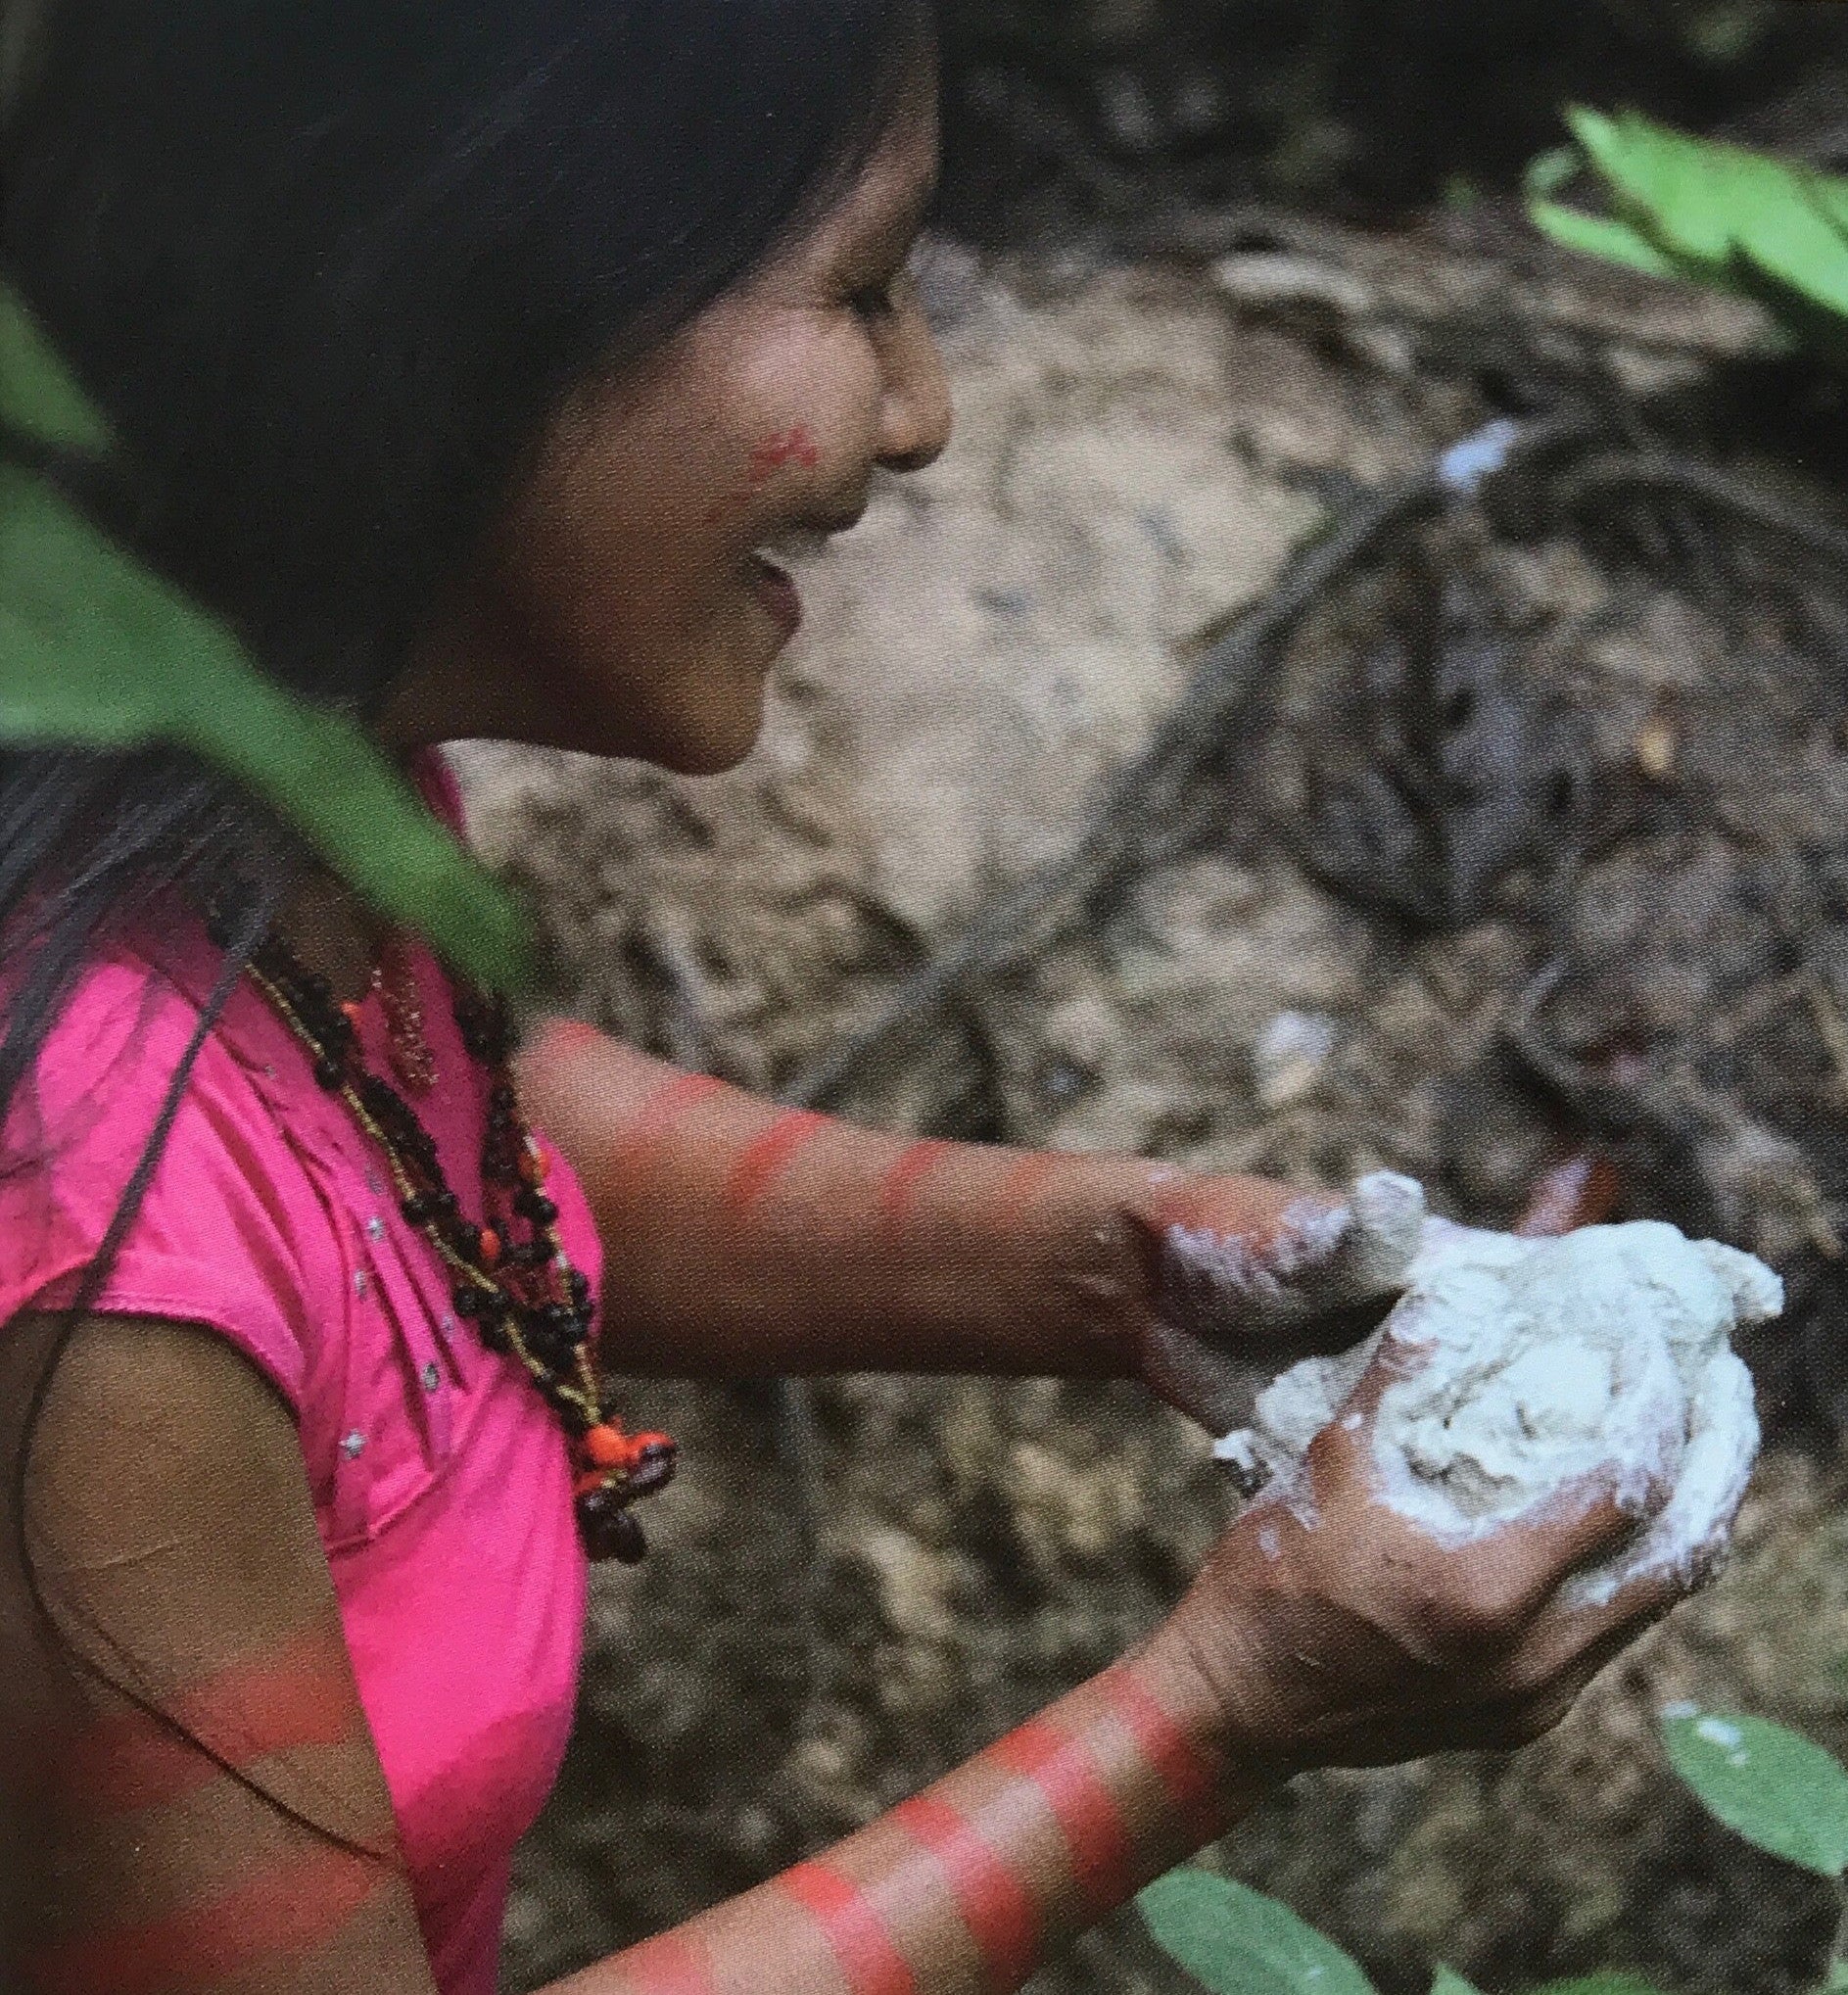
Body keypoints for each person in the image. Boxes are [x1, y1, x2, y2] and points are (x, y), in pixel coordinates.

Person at [0, 6, 1700, 1993]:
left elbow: (414, 1123)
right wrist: (1224, 1703)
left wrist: (1103, 1266)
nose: (922, 410)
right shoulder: (78, 1283)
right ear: (470, 283)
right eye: (862, 289)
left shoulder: (231, 757)